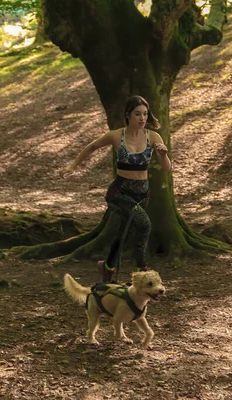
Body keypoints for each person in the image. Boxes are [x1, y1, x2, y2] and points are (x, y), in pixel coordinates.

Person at [64, 95, 172, 282]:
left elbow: (166, 168)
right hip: (120, 192)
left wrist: (163, 155)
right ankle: (142, 271)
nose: (142, 118)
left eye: (145, 114)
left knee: (125, 232)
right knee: (144, 224)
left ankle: (107, 267)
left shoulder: (153, 137)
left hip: (142, 193)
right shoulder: (116, 136)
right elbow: (92, 147)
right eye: (137, 114)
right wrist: (72, 167)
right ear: (128, 115)